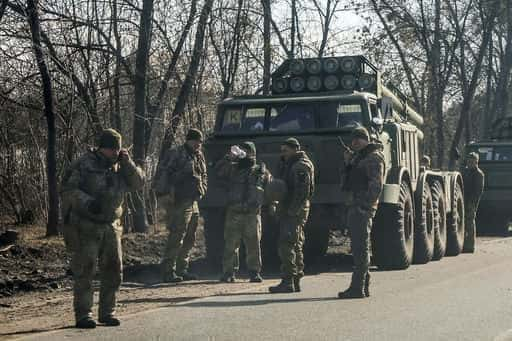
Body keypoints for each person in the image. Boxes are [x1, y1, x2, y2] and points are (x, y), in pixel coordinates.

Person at [61, 128, 145, 328]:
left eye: (117, 149)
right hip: (86, 225)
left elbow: (139, 182)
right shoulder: (83, 164)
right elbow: (68, 190)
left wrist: (128, 163)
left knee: (114, 270)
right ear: (102, 148)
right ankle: (84, 315)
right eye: (111, 149)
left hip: (111, 225)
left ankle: (107, 312)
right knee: (85, 271)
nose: (115, 153)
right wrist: (87, 202)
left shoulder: (121, 166)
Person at [215, 142, 272, 283]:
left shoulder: (261, 171)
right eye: (243, 151)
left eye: (248, 151)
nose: (245, 154)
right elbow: (218, 172)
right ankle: (228, 272)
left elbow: (270, 189)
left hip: (252, 214)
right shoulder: (233, 168)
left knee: (253, 244)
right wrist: (229, 158)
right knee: (231, 245)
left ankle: (254, 272)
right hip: (234, 212)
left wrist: (272, 205)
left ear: (253, 153)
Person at [339, 126, 385, 299]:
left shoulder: (373, 157)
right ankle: (362, 286)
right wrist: (348, 163)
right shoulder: (360, 157)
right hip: (356, 205)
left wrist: (364, 205)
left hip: (361, 208)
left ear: (364, 139)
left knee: (360, 248)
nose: (354, 142)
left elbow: (376, 186)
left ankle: (358, 286)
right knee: (359, 247)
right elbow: (348, 180)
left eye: (358, 139)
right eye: (353, 139)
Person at [157, 129, 208, 282]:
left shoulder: (199, 155)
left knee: (190, 237)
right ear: (189, 140)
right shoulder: (176, 153)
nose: (199, 144)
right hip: (178, 200)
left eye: (200, 142)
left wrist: (202, 189)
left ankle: (181, 269)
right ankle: (168, 270)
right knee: (177, 235)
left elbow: (204, 175)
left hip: (193, 200)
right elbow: (165, 175)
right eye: (196, 141)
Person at [269, 137, 315, 293]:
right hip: (291, 209)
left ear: (295, 149)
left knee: (286, 244)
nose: (283, 154)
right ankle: (294, 279)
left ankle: (288, 280)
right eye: (282, 151)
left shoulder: (300, 166)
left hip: (294, 210)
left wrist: (291, 211)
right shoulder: (289, 164)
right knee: (295, 243)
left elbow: (302, 192)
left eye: (285, 150)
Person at [462, 152, 485, 252]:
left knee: (470, 222)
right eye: (468, 161)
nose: (469, 163)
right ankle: (463, 244)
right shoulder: (465, 172)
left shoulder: (479, 174)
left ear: (476, 162)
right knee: (463, 222)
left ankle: (470, 246)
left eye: (472, 161)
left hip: (472, 200)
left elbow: (478, 190)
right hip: (463, 199)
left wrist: (472, 203)